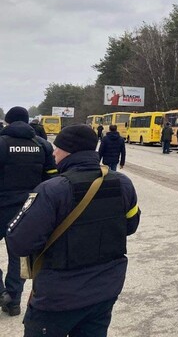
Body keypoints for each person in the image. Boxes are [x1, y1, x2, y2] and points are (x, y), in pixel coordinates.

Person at [6, 124, 140, 336]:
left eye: (56, 148)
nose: (53, 153)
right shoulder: (122, 183)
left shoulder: (52, 190)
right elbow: (131, 225)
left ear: (67, 151)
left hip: (58, 299)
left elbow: (19, 242)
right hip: (104, 291)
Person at [0, 106, 57, 316]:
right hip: (28, 210)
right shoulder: (42, 145)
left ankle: (1, 292)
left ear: (7, 122)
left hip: (2, 206)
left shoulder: (2, 143)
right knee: (20, 256)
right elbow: (52, 177)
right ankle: (13, 301)